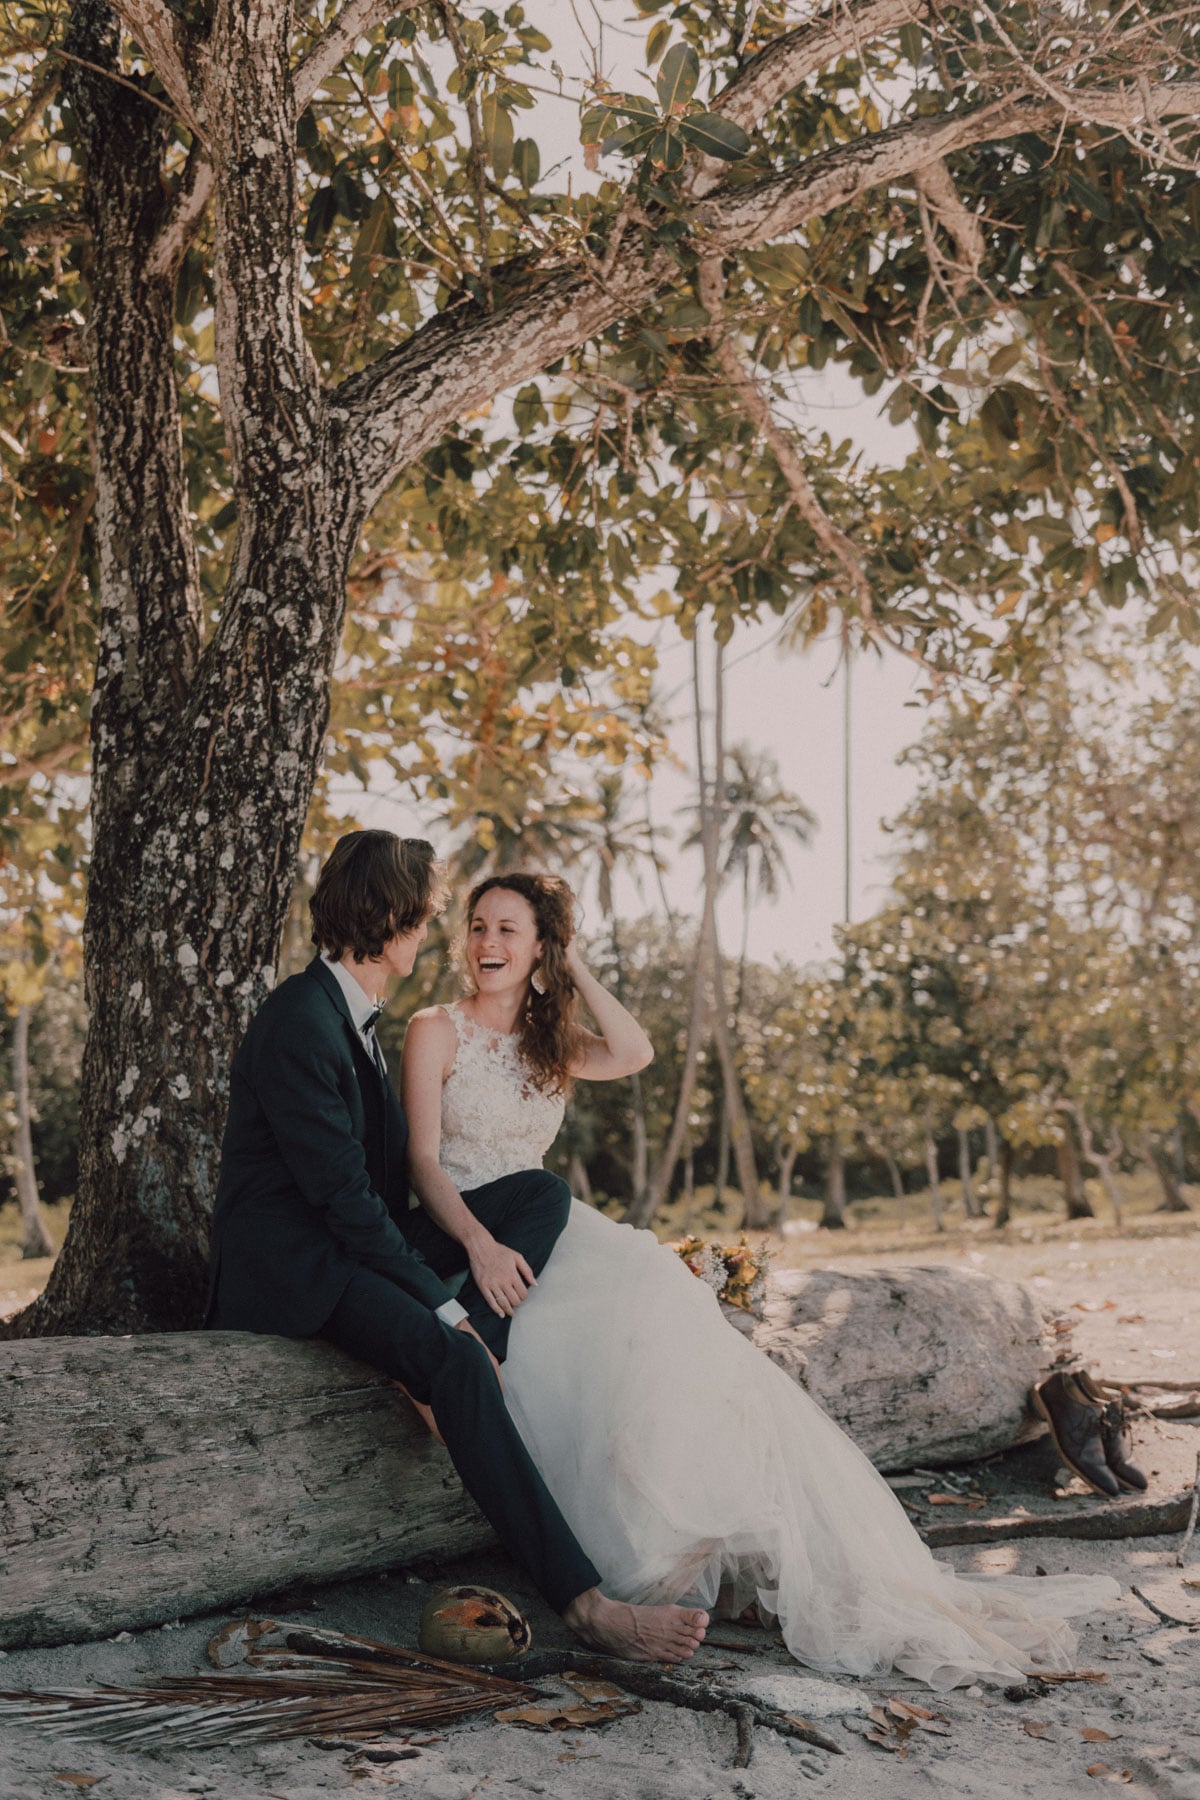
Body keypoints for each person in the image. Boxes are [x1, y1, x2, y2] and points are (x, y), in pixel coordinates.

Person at [401, 869, 1121, 1693]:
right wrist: (480, 1247)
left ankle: (684, 1543)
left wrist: (574, 965)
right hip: (463, 1229)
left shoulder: (550, 1041)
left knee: (663, 1308)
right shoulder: (436, 1029)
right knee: (591, 1334)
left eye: (509, 930)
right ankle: (618, 1552)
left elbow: (634, 1052)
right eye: (478, 927)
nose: (487, 943)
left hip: (548, 1229)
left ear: (539, 948)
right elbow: (422, 1161)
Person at [204, 829, 708, 1664]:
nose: (441, 933)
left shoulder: (346, 1013)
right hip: (300, 1269)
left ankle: (464, 1358)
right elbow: (344, 1202)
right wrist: (446, 1307)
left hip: (349, 1242)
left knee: (540, 1193)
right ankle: (585, 1604)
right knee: (462, 1360)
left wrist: (457, 1273)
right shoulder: (302, 1020)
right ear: (390, 920)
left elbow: (367, 1198)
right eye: (429, 916)